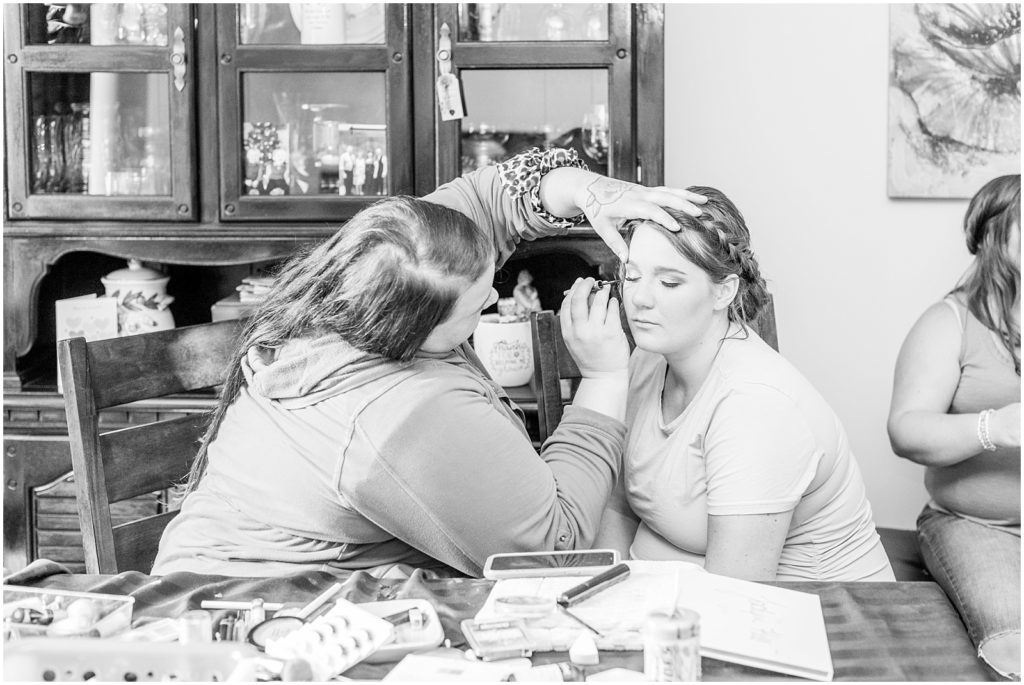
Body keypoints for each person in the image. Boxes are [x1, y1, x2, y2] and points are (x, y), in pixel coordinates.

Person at [153, 148, 705, 578]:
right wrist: (605, 378)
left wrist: (590, 191)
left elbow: (496, 193)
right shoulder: (402, 414)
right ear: (414, 332)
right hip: (256, 615)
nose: (493, 299)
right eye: (476, 303)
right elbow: (552, 552)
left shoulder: (394, 262)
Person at [590, 187, 895, 582]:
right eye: (632, 275)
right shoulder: (648, 359)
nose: (640, 299)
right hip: (666, 607)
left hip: (819, 619)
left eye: (669, 283)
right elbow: (619, 506)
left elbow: (736, 593)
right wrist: (604, 596)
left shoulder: (756, 406)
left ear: (724, 291)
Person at [887, 175, 1020, 678]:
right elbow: (906, 431)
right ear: (992, 236)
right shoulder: (950, 323)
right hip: (976, 526)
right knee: (1016, 644)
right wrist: (996, 427)